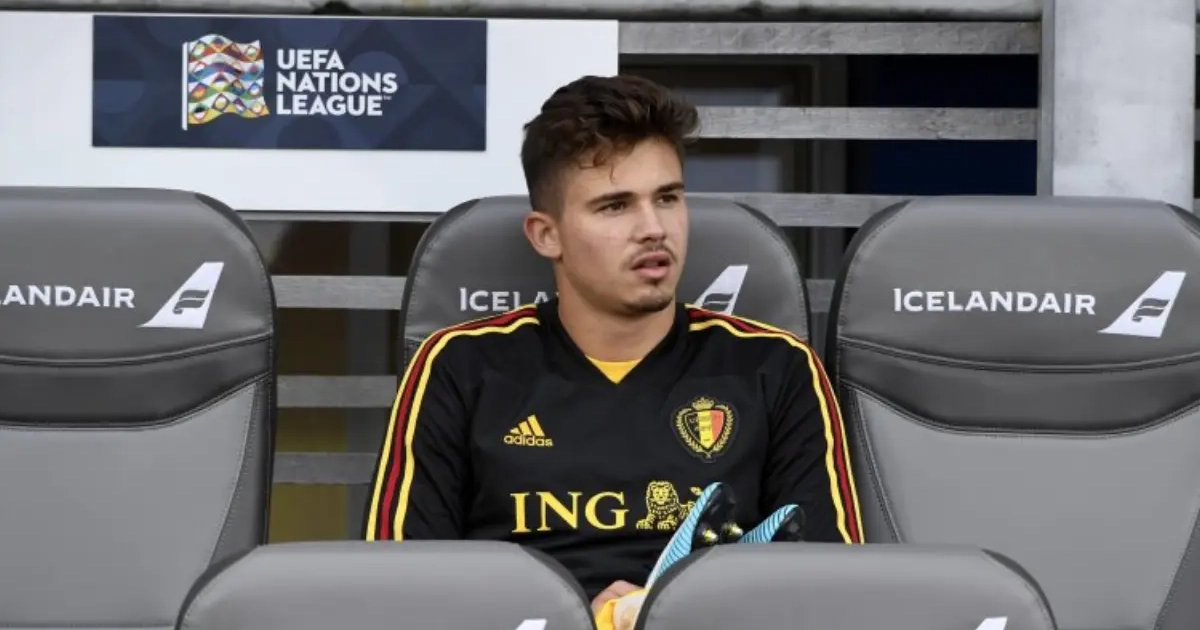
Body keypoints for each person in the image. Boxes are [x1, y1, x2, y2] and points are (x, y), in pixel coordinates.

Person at [363, 74, 863, 616]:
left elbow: (831, 595)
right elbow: (401, 594)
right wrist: (576, 619)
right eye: (615, 206)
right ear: (546, 235)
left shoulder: (776, 366)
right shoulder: (459, 366)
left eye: (667, 198)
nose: (653, 228)